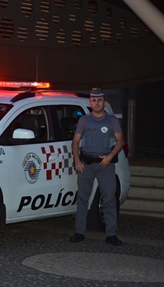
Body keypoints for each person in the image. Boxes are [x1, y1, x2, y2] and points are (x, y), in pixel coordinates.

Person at [70, 87, 125, 247]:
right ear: (90, 103)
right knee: (82, 199)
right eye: (94, 100)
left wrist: (110, 156)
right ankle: (79, 232)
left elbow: (120, 141)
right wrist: (77, 161)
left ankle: (111, 234)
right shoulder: (84, 120)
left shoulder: (112, 121)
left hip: (105, 165)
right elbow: (75, 141)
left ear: (104, 102)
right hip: (86, 164)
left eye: (99, 100)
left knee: (109, 199)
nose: (97, 103)